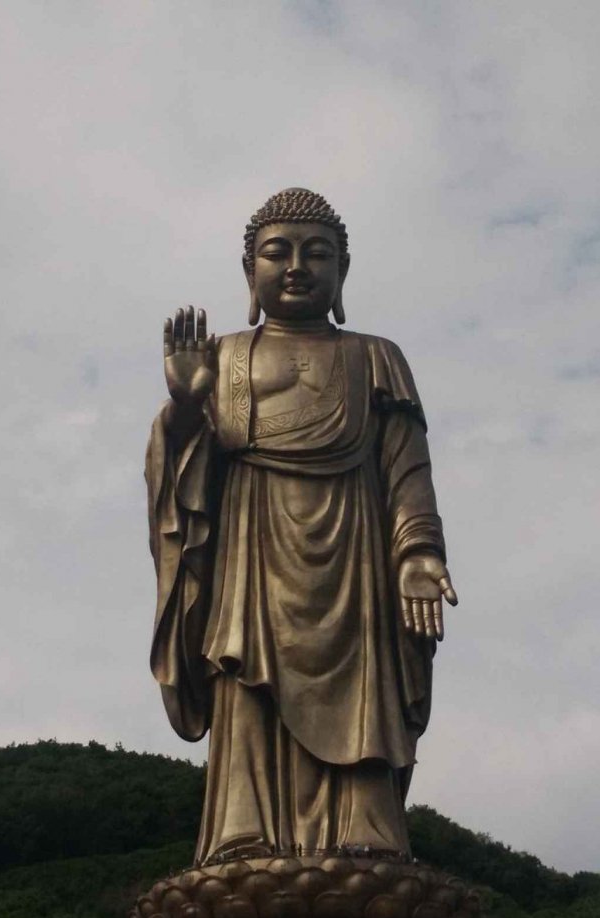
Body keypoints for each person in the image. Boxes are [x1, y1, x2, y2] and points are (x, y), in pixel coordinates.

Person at [146, 188, 457, 865]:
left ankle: (366, 834)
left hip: (355, 564)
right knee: (245, 682)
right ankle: (243, 836)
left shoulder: (376, 357)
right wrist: (185, 411)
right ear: (248, 271)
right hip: (250, 558)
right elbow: (179, 482)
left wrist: (418, 552)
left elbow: (407, 469)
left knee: (362, 695)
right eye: (276, 252)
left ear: (343, 271)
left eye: (317, 253)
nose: (295, 266)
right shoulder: (222, 356)